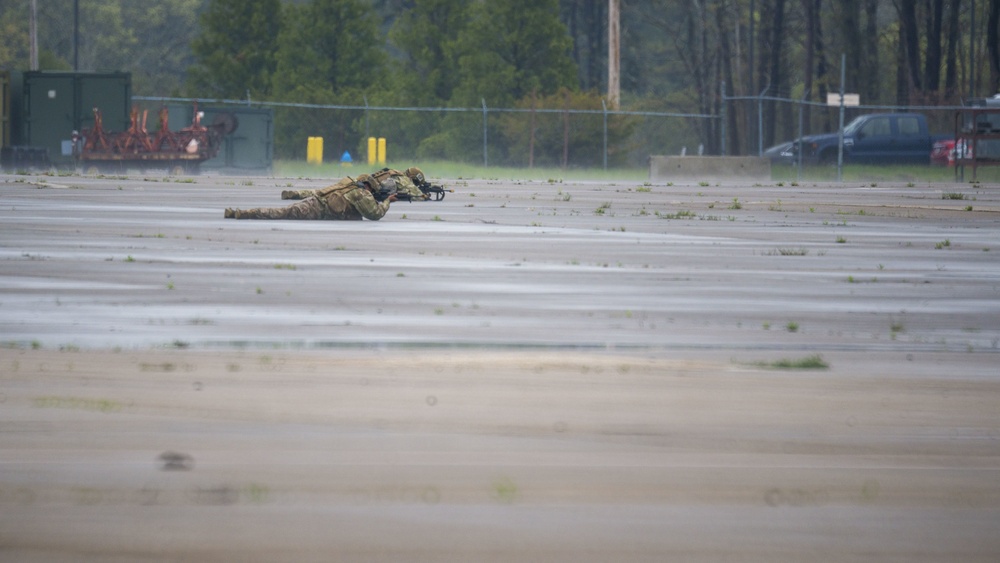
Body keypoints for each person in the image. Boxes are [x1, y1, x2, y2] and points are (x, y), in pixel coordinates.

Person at [224, 173, 395, 220]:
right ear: (368, 186)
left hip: (315, 202)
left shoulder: (348, 184)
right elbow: (375, 214)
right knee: (279, 213)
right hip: (315, 209)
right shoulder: (361, 193)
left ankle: (238, 213)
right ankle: (242, 213)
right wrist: (387, 202)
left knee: (282, 212)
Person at [280, 167, 429, 202]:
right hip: (366, 188)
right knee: (334, 195)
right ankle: (298, 195)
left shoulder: (390, 172)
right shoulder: (402, 179)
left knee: (328, 191)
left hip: (361, 181)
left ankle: (299, 193)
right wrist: (425, 196)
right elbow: (416, 194)